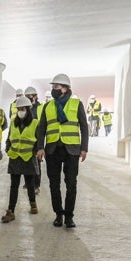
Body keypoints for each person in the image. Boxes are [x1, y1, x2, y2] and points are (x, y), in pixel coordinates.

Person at [36, 73, 89, 228]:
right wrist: (40, 147)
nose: (54, 89)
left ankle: (69, 217)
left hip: (72, 149)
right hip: (52, 149)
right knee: (54, 184)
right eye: (53, 87)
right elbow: (41, 128)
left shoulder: (76, 104)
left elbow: (84, 127)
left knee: (71, 184)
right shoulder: (48, 106)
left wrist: (84, 148)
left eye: (56, 87)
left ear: (65, 89)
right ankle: (58, 214)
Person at [2, 96, 39, 223]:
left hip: (28, 157)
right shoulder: (13, 122)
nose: (20, 110)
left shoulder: (35, 123)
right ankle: (10, 211)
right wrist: (8, 149)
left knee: (29, 184)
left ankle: (33, 204)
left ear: (28, 109)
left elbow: (38, 141)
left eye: (22, 108)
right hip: (15, 157)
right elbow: (9, 139)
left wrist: (35, 152)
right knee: (14, 186)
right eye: (18, 109)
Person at [24, 86, 44, 194]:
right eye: (26, 96)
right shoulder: (25, 107)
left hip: (37, 139)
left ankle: (36, 185)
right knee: (25, 161)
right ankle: (27, 183)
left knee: (36, 163)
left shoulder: (41, 108)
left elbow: (42, 125)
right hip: (26, 139)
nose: (28, 98)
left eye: (30, 96)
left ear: (35, 96)